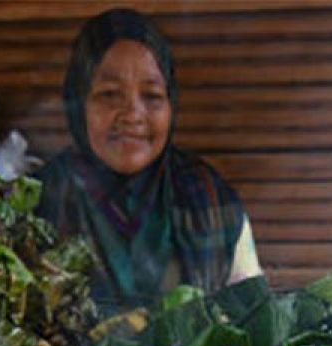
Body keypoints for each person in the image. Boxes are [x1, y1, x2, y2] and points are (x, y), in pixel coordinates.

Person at [37, 8, 261, 311]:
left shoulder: (212, 200)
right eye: (109, 94)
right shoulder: (39, 202)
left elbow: (253, 317)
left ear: (171, 104)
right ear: (78, 104)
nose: (132, 114)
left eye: (152, 96)